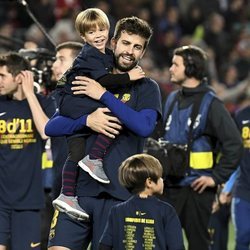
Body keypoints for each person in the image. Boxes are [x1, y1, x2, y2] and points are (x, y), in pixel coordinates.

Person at [46, 16, 162, 250]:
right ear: (113, 42)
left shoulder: (147, 87)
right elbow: (52, 126)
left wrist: (103, 96)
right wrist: (87, 120)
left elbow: (144, 126)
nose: (130, 51)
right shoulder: (89, 75)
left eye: (137, 47)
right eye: (126, 43)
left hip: (119, 196)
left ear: (143, 52)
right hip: (76, 195)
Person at [52, 8, 145, 218]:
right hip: (73, 102)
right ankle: (94, 158)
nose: (99, 35)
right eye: (92, 32)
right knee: (114, 113)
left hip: (73, 102)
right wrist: (128, 77)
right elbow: (101, 83)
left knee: (74, 153)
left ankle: (67, 195)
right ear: (83, 37)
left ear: (109, 30)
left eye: (102, 29)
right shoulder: (90, 55)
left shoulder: (105, 55)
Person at [160, 45, 243, 250]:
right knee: (162, 243)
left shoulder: (211, 103)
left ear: (190, 68)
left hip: (197, 190)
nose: (170, 69)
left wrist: (216, 177)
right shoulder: (171, 98)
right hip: (170, 187)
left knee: (199, 245)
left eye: (175, 64)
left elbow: (234, 144)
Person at [0, 52, 56, 249]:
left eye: (2, 76)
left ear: (20, 77)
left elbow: (45, 131)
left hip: (29, 202)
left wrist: (30, 94)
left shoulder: (44, 103)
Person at [99, 153, 185, 250]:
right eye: (160, 177)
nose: (162, 180)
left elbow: (104, 246)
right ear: (149, 182)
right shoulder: (167, 211)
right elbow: (177, 247)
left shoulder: (117, 211)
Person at [231, 100, 250, 250]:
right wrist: (226, 189)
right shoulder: (241, 116)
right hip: (244, 187)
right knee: (243, 236)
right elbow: (234, 154)